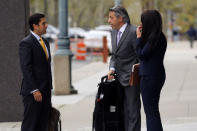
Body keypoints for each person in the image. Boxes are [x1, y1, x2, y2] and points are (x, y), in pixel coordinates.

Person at [108, 6, 141, 131]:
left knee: (133, 111)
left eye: (111, 18)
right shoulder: (113, 32)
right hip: (118, 79)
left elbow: (140, 55)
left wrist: (136, 73)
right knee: (122, 112)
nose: (109, 21)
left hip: (132, 80)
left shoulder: (134, 31)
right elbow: (114, 55)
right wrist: (112, 68)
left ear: (121, 18)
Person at [19, 13, 52, 131]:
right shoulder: (26, 43)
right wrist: (34, 90)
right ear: (35, 26)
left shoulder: (46, 42)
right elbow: (26, 68)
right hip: (33, 93)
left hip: (46, 92)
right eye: (43, 23)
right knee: (30, 126)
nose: (46, 25)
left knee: (43, 126)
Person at [136, 10, 167, 131]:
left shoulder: (154, 38)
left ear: (148, 22)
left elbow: (142, 54)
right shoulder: (159, 36)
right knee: (153, 111)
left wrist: (138, 38)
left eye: (143, 21)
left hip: (150, 77)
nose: (141, 24)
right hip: (156, 75)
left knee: (150, 112)